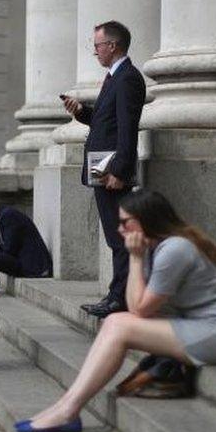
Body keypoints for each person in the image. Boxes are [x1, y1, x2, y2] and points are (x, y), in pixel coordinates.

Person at [15, 190, 216, 432]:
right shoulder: (162, 246)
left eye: (125, 222)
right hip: (206, 328)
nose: (120, 229)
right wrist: (138, 258)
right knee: (116, 322)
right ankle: (65, 406)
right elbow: (136, 307)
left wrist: (135, 259)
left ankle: (68, 409)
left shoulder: (176, 249)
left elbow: (139, 309)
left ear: (147, 219)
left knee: (119, 324)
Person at [61, 20, 146, 319]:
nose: (94, 51)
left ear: (112, 46)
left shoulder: (127, 78)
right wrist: (81, 112)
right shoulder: (114, 77)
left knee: (118, 235)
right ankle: (117, 295)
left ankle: (118, 298)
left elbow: (127, 128)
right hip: (102, 164)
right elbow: (105, 121)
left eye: (97, 45)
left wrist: (120, 171)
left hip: (111, 167)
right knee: (114, 234)